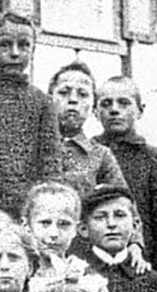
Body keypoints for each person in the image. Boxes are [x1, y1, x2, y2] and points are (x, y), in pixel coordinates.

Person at [0, 10, 60, 219]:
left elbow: (50, 159)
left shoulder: (42, 102)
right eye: (4, 45)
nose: (15, 53)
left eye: (24, 45)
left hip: (30, 206)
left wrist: (48, 203)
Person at [93, 76, 157, 276]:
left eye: (123, 103)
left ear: (140, 110)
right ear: (95, 112)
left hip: (142, 268)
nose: (114, 110)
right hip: (95, 266)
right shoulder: (89, 154)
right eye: (106, 104)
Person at [22, 182, 116, 292]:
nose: (53, 233)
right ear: (27, 225)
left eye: (64, 224)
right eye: (45, 223)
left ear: (76, 229)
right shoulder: (19, 278)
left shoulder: (89, 281)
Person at [78, 185, 157, 292]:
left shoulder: (150, 279)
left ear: (135, 225)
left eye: (120, 215)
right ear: (84, 229)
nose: (111, 224)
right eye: (100, 217)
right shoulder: (77, 274)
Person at [47, 61, 128, 196]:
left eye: (83, 94)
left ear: (93, 105)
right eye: (64, 92)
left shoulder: (101, 156)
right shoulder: (30, 146)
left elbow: (120, 204)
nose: (73, 99)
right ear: (49, 99)